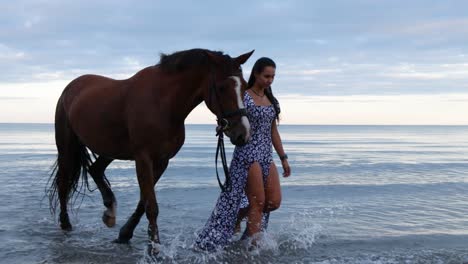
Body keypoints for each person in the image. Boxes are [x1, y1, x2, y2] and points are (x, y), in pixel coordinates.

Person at [195, 57, 291, 251]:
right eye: (266, 76)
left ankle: (237, 218)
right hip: (247, 154)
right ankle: (252, 247)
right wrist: (223, 126)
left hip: (266, 155)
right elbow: (231, 118)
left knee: (273, 202)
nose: (270, 80)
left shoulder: (271, 99)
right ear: (256, 73)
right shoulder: (244, 96)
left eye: (273, 77)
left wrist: (283, 158)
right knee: (258, 202)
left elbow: (273, 131)